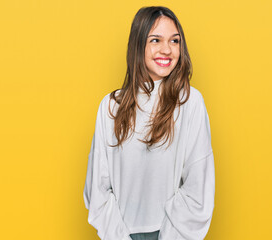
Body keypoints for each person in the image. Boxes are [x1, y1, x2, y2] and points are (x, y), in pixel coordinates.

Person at [83, 6, 215, 240]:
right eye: (156, 40)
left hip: (174, 234)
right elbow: (97, 190)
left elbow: (198, 188)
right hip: (120, 235)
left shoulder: (189, 102)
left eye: (175, 41)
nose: (167, 49)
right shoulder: (111, 107)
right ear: (138, 45)